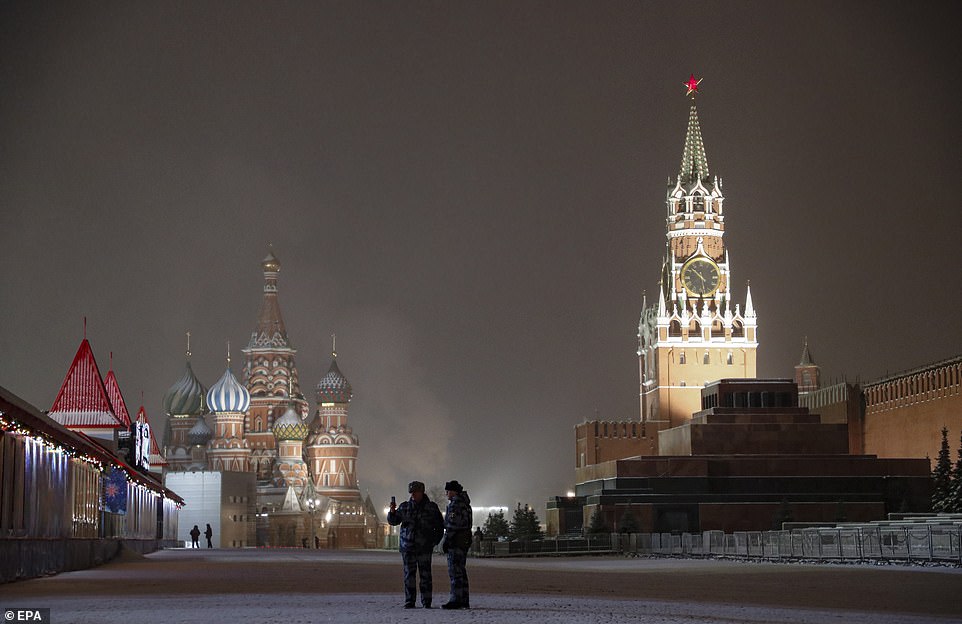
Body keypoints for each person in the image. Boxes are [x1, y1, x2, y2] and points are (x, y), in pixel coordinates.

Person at [387, 481, 444, 609]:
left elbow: (440, 526)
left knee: (426, 576)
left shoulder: (431, 507)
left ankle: (426, 601)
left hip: (424, 548)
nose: (413, 495)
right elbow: (393, 521)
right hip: (408, 547)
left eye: (415, 492)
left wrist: (433, 542)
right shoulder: (405, 507)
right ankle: (409, 601)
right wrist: (392, 511)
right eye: (411, 493)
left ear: (421, 492)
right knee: (409, 576)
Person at [441, 480, 472, 610]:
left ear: (453, 491)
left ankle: (456, 599)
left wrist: (446, 540)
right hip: (463, 541)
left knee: (455, 571)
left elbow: (452, 525)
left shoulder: (455, 505)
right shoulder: (465, 504)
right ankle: (464, 599)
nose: (446, 494)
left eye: (448, 491)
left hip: (456, 541)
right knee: (461, 571)